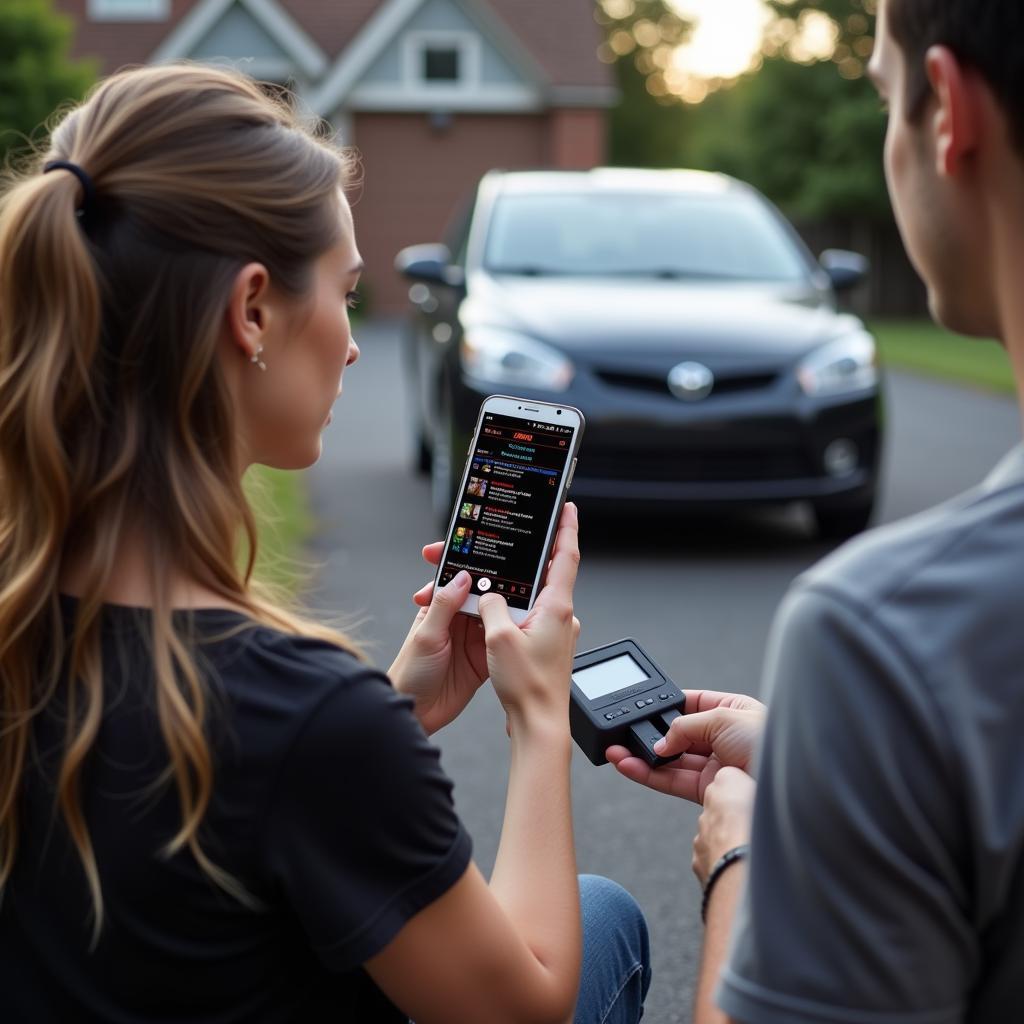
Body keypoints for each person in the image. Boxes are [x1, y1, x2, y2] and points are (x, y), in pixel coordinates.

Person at [0, 64, 651, 1023]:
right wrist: (541, 714)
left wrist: (391, 713)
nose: (351, 344)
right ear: (252, 310)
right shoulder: (299, 716)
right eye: (346, 292)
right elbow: (526, 1007)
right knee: (605, 918)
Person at [609, 0, 1024, 1021]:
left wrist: (745, 861)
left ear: (948, 115)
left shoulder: (887, 639)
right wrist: (825, 750)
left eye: (886, 96)